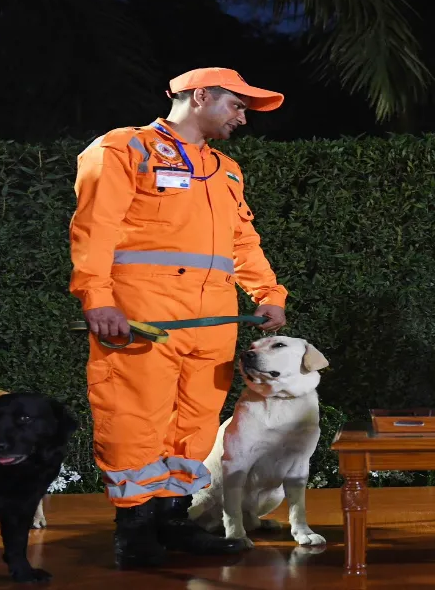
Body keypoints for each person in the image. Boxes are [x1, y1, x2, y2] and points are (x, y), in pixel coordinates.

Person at [69, 67, 289, 568]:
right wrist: (97, 298)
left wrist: (269, 292)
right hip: (143, 316)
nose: (242, 118)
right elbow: (94, 230)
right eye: (236, 106)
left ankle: (172, 521)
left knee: (195, 423)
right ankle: (135, 533)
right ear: (200, 96)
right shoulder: (125, 148)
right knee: (134, 420)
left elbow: (242, 243)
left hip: (214, 321)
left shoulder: (227, 169)